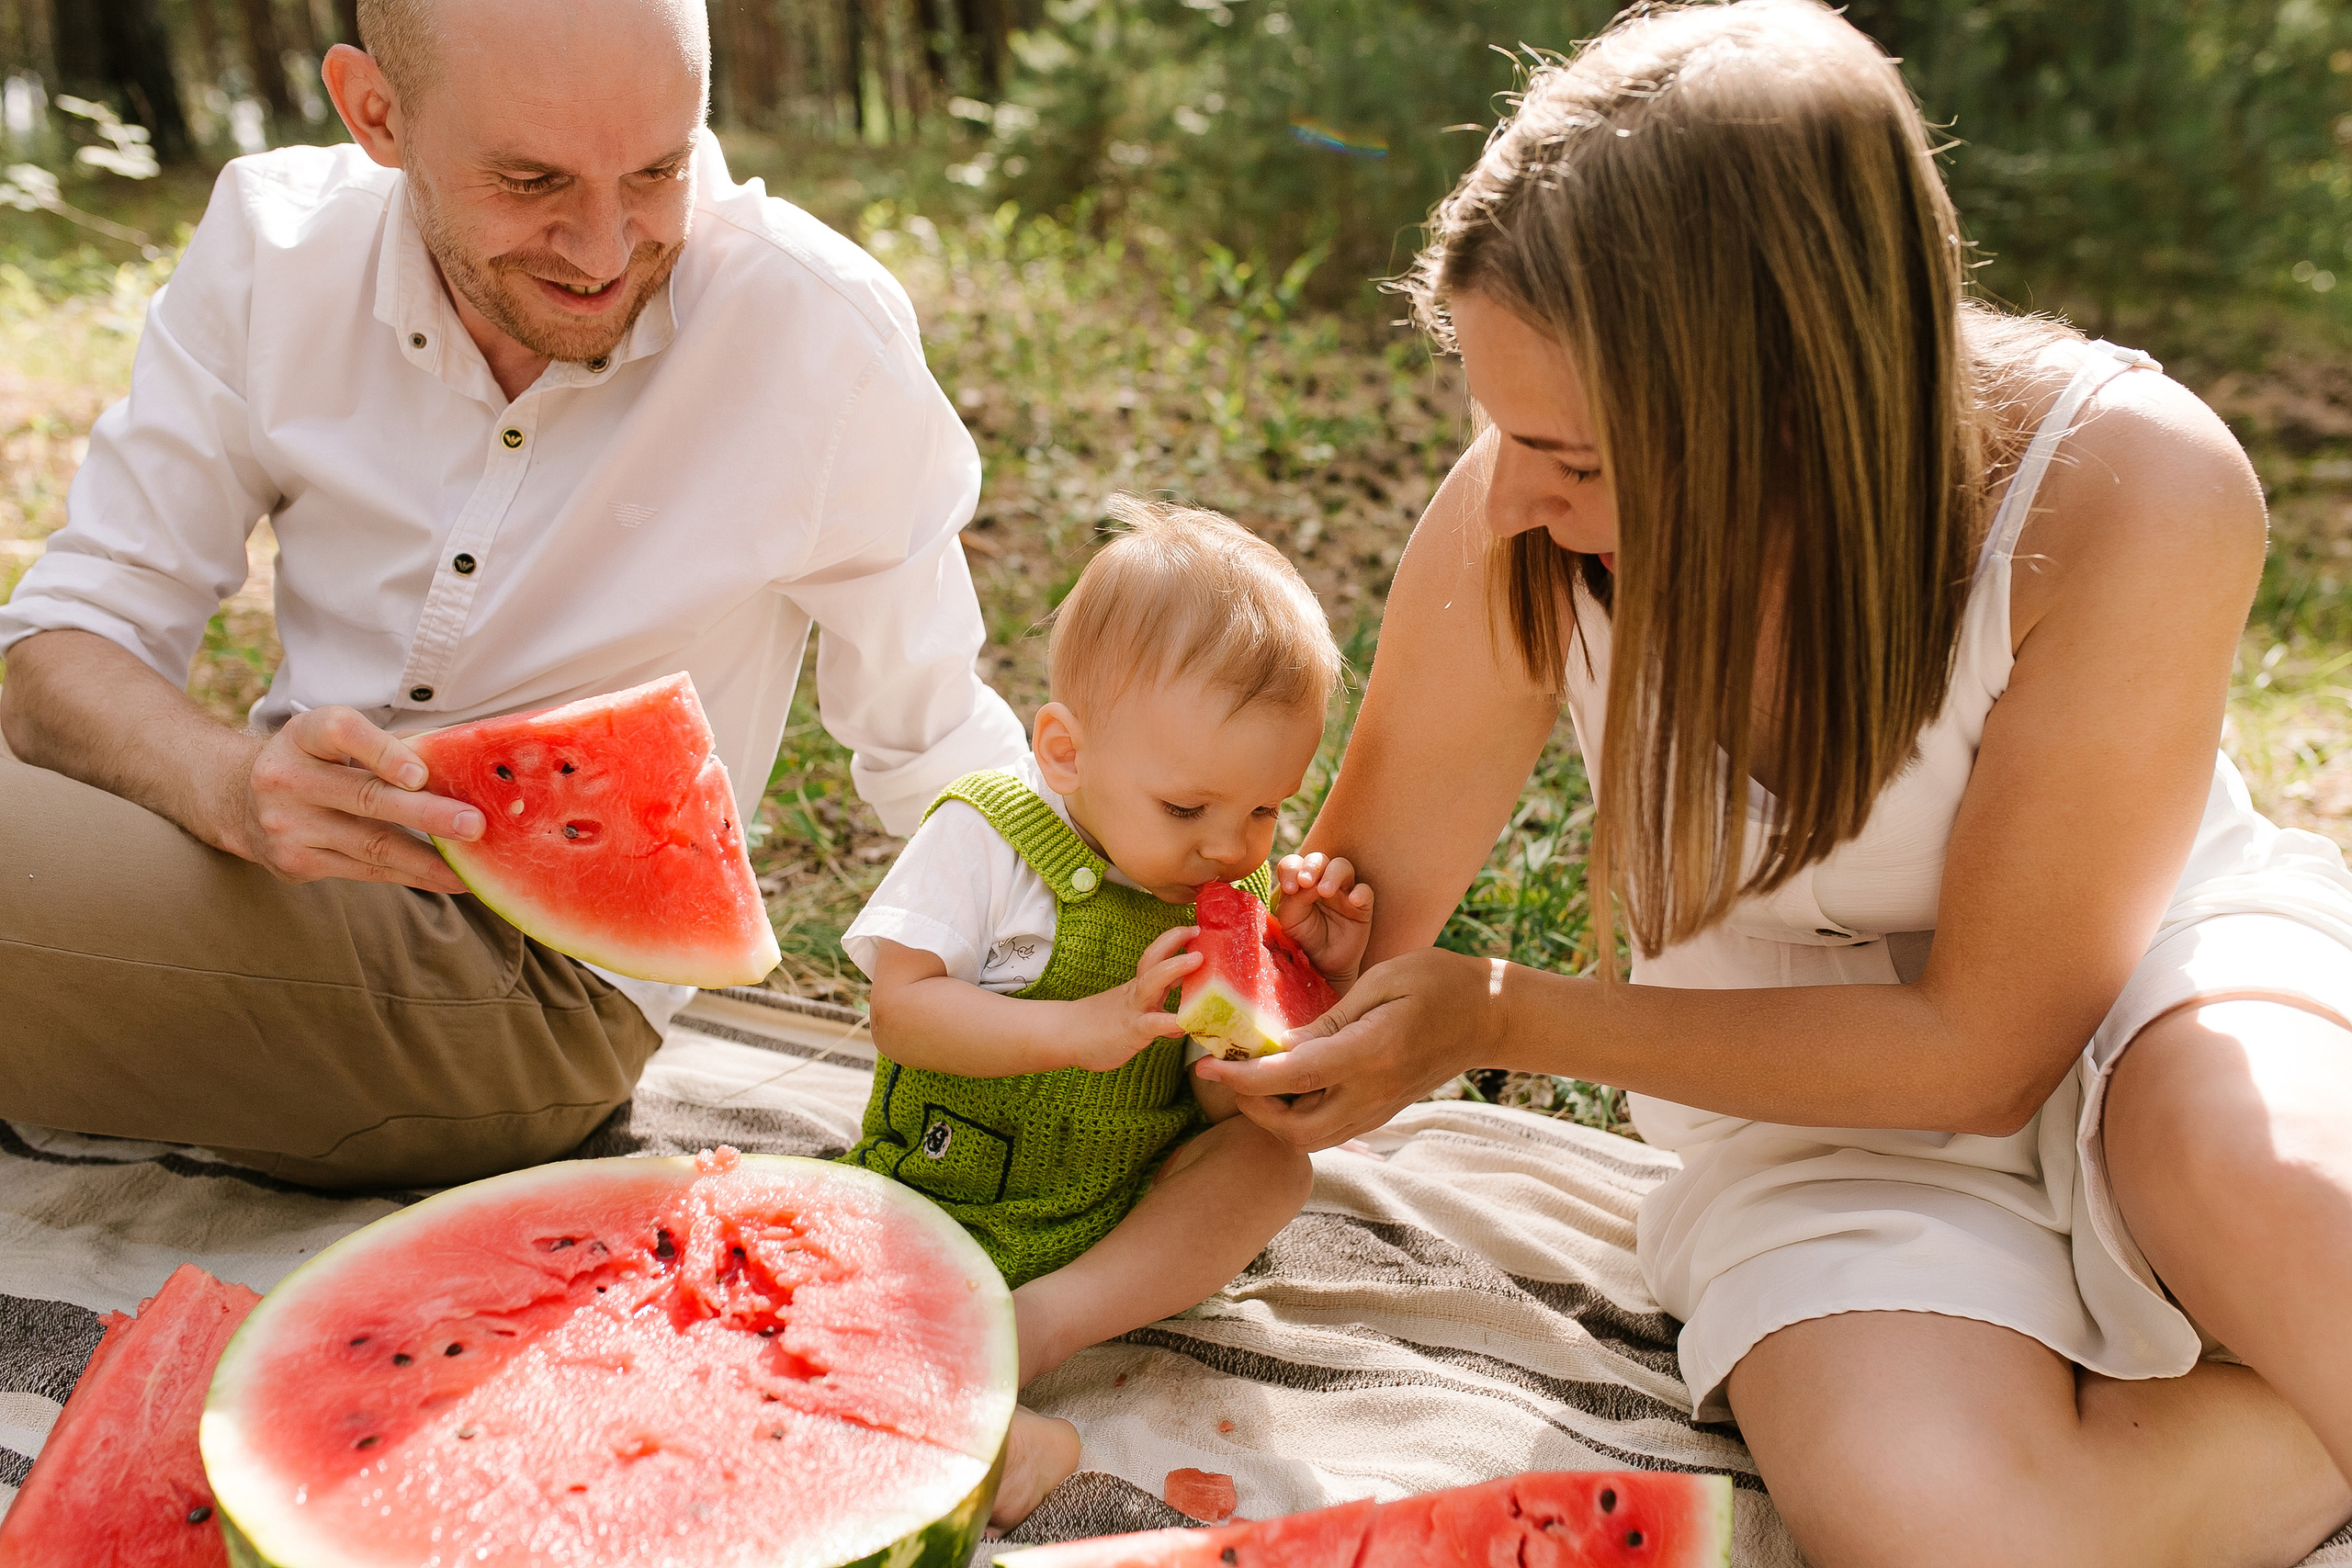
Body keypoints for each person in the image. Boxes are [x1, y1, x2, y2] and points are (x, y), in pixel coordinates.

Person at [1204, 5, 2352, 1564]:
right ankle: (2299, 1413)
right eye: (1502, 431)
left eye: (1581, 459)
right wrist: (1277, 980)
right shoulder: (1522, 515)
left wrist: (1499, 1011)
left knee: (2246, 1170)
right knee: (1944, 1532)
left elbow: (1987, 1049)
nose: (1519, 501)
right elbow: (1343, 924)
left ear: (1790, 398)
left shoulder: (2133, 482)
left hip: (2150, 988)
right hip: (1793, 1106)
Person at [0, 0, 1023, 1190]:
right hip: (281, 874)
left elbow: (939, 740)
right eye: (531, 180)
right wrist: (228, 782)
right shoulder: (275, 251)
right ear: (377, 113)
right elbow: (68, 641)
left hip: (535, 992)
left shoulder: (807, 331)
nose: (601, 250)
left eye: (657, 170)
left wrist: (1132, 987)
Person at [839, 496, 1369, 1525]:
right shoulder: (985, 840)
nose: (1231, 849)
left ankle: (1031, 1334)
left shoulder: (1234, 891)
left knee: (1270, 1166)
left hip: (1120, 1226)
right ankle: (988, 1409)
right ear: (1065, 753)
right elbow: (901, 1011)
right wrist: (1075, 1030)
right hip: (948, 1196)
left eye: (1265, 809)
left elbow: (1218, 1115)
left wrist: (1294, 1000)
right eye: (1188, 810)